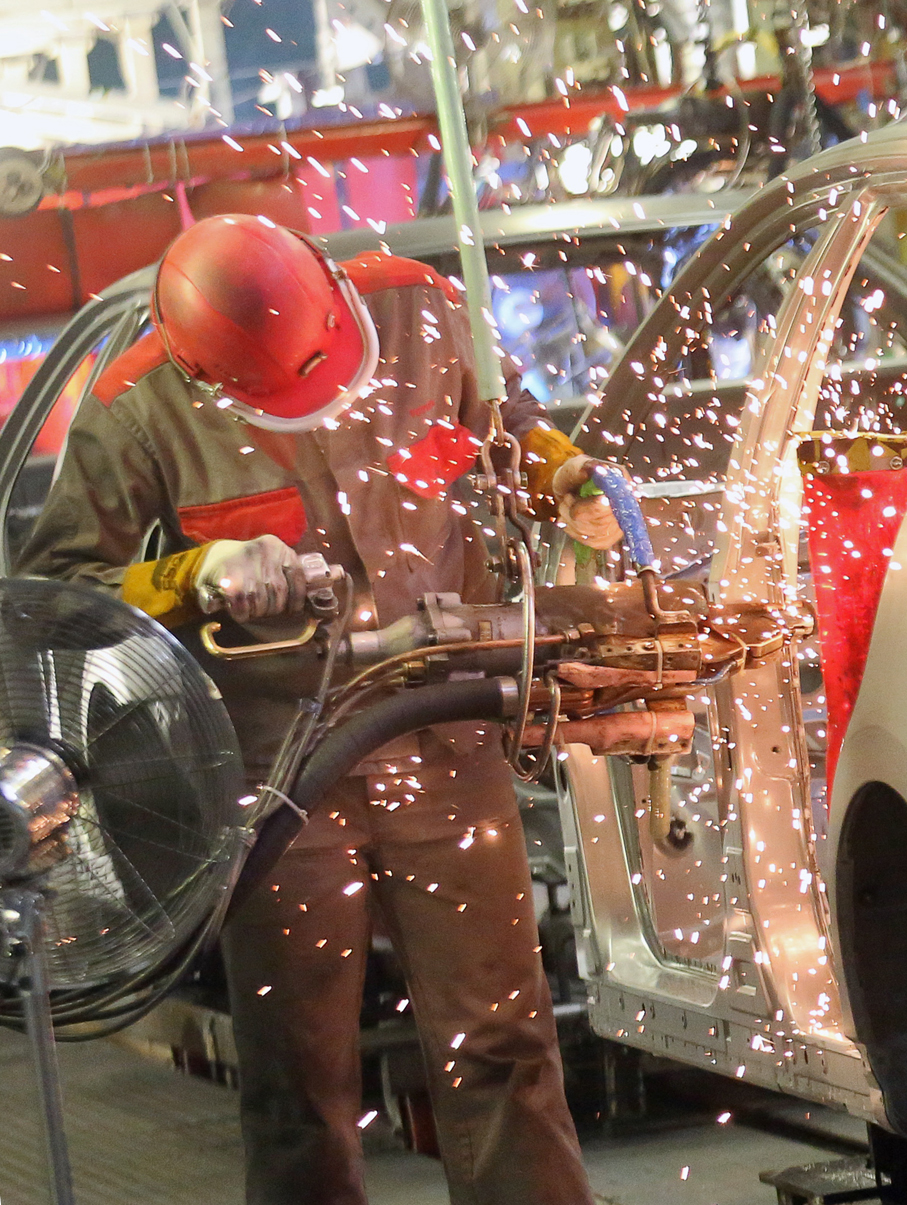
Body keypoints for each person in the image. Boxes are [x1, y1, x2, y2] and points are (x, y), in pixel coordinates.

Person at [18, 213, 612, 1205]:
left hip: (442, 734)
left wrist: (557, 471)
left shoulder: (418, 308)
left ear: (334, 294)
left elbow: (500, 424)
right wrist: (192, 573)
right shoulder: (138, 408)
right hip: (279, 778)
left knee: (503, 1041)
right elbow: (58, 591)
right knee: (299, 1073)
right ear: (202, 372)